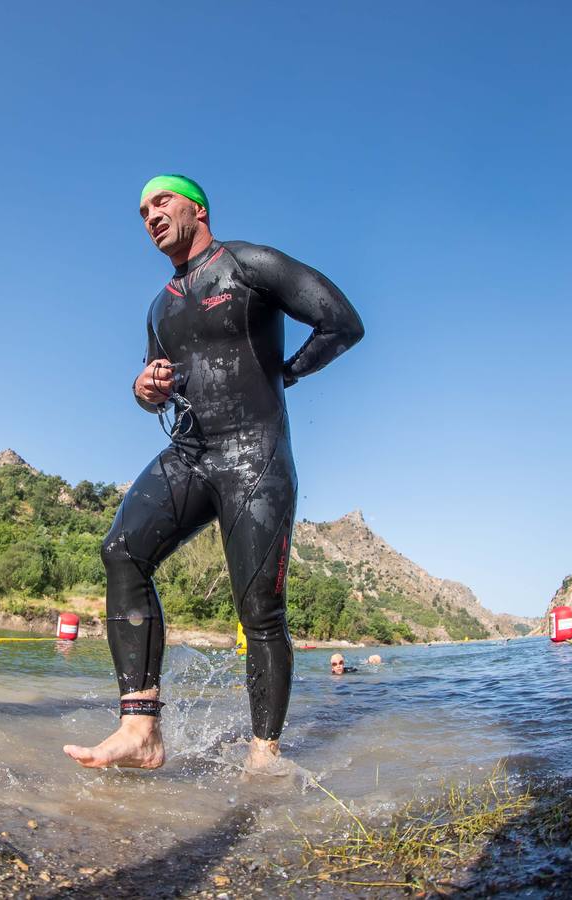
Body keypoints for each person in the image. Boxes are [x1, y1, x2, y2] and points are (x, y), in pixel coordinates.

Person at [64, 175, 364, 773]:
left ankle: (263, 754)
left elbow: (342, 323)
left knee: (260, 609)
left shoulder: (250, 264)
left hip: (256, 455)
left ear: (196, 207)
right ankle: (141, 729)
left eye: (162, 202)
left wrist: (289, 374)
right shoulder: (160, 306)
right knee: (122, 549)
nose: (150, 215)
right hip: (192, 451)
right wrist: (145, 390)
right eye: (142, 210)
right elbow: (159, 389)